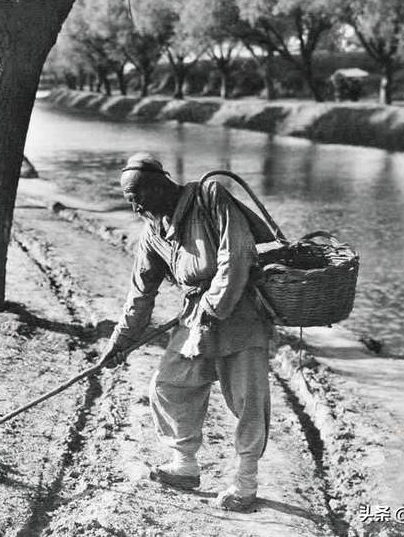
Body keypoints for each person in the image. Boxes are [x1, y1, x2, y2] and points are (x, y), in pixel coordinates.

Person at [100, 151, 275, 513]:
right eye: (129, 202)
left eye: (137, 198)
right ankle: (185, 464)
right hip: (197, 316)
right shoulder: (153, 231)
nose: (135, 208)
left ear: (159, 184)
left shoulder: (209, 196)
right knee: (168, 384)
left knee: (247, 400)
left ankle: (245, 483)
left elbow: (237, 252)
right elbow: (141, 292)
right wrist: (121, 342)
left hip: (240, 310)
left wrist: (215, 304)